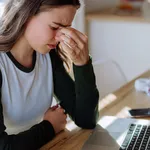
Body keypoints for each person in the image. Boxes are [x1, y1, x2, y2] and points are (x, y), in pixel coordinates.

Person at [0, 0, 99, 149]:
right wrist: (50, 127)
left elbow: (86, 120)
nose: (60, 38)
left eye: (66, 28)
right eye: (54, 27)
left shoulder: (47, 56)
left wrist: (82, 63)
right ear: (26, 16)